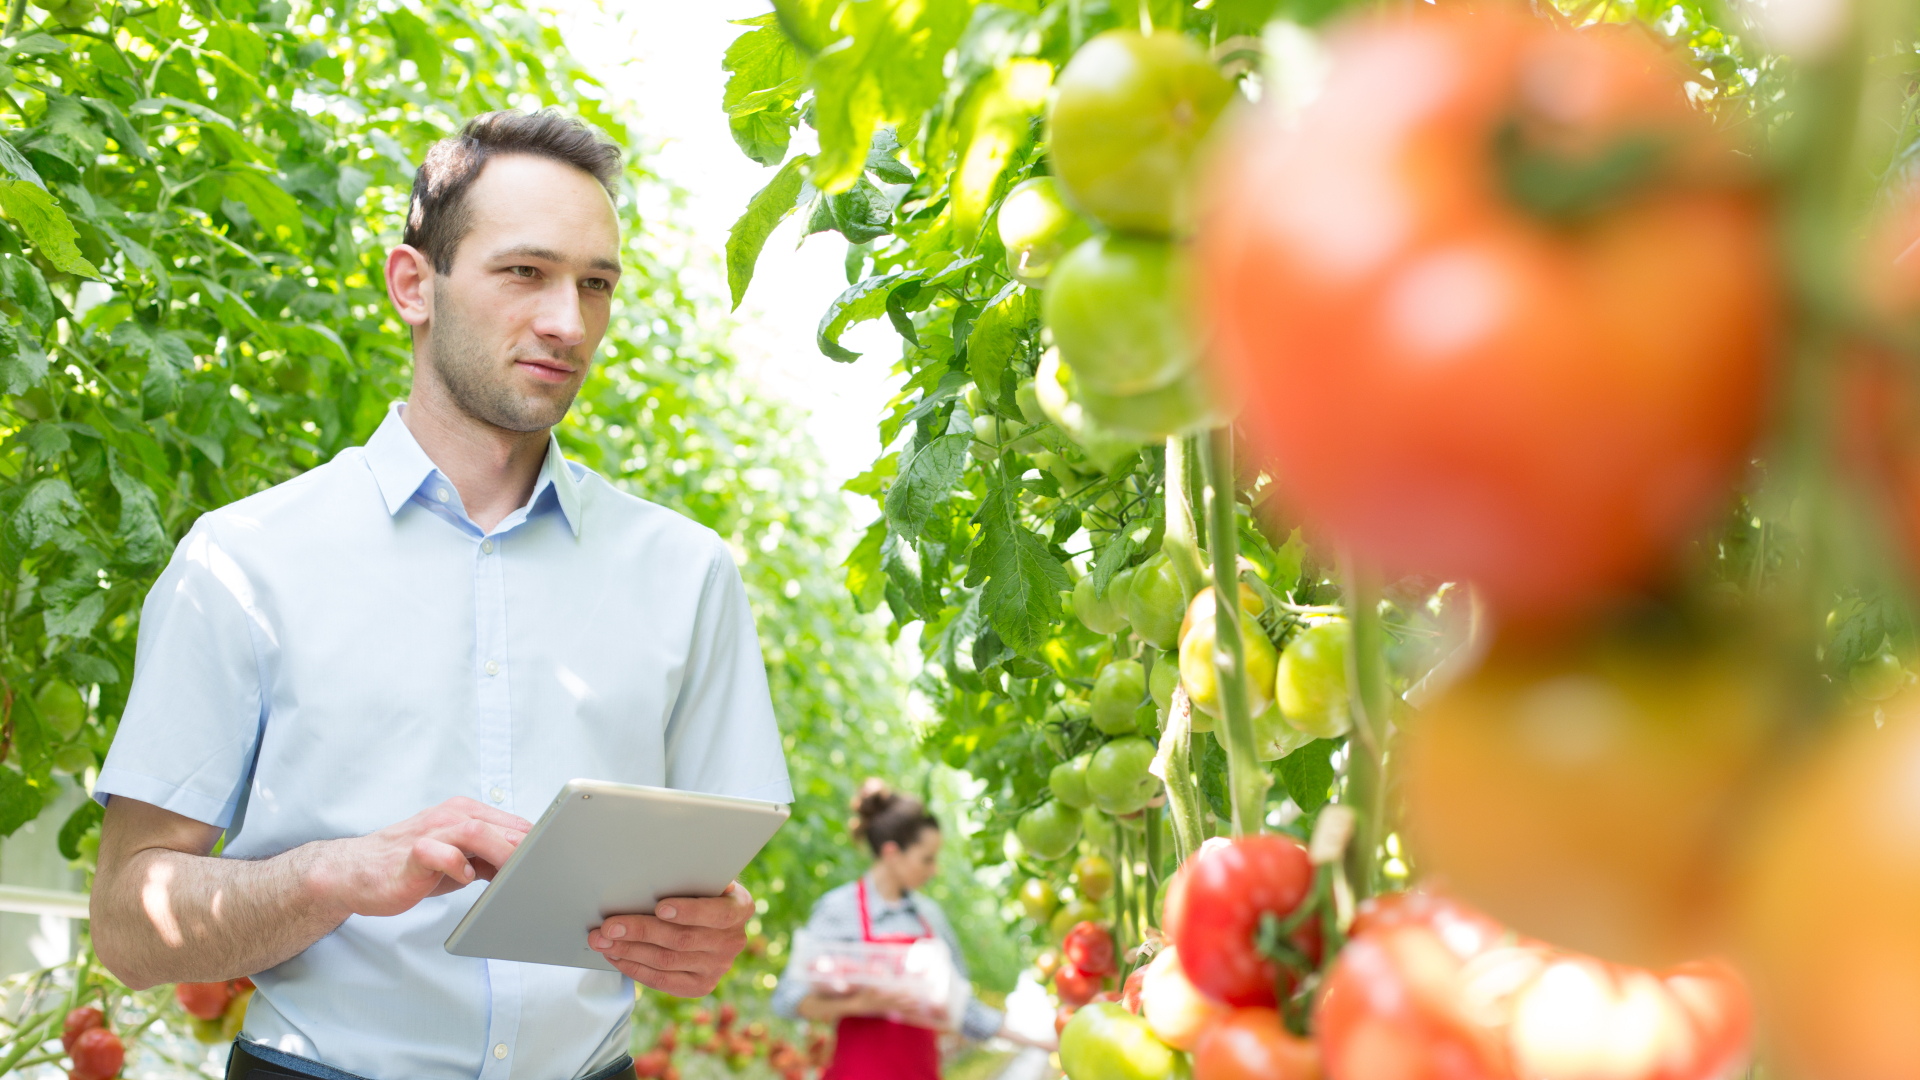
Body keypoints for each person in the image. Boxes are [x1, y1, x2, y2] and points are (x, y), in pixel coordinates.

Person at [85, 110, 792, 1080]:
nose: (568, 322)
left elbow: (712, 899)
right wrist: (335, 874)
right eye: (524, 273)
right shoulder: (246, 563)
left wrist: (711, 932)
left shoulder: (687, 573)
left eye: (596, 285)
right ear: (413, 284)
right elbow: (129, 925)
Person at [771, 781, 1054, 1079]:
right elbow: (787, 998)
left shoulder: (929, 916)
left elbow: (963, 1008)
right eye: (927, 859)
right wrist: (860, 1003)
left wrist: (1046, 1041)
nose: (935, 870)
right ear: (892, 853)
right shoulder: (840, 910)